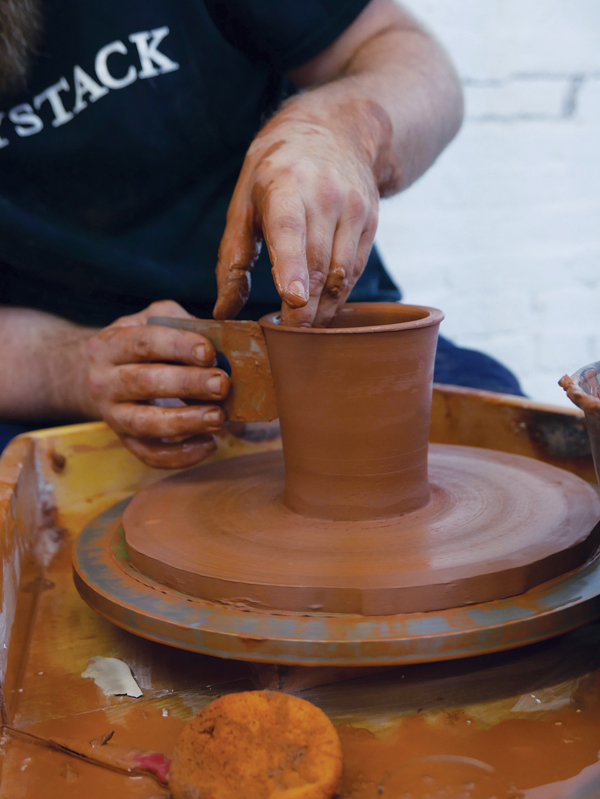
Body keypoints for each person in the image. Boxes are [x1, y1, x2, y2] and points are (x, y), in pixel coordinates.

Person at [0, 0, 522, 464]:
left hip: (324, 338)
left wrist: (341, 128)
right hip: (80, 371)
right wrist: (70, 367)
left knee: (509, 438)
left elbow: (404, 56)